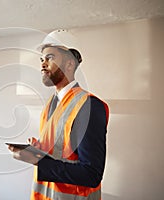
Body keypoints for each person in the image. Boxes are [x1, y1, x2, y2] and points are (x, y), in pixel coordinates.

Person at [8, 29, 109, 200]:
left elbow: (91, 174)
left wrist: (37, 161)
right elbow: (61, 150)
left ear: (69, 64)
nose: (42, 64)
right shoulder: (51, 104)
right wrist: (38, 150)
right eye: (42, 59)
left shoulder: (89, 106)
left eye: (50, 58)